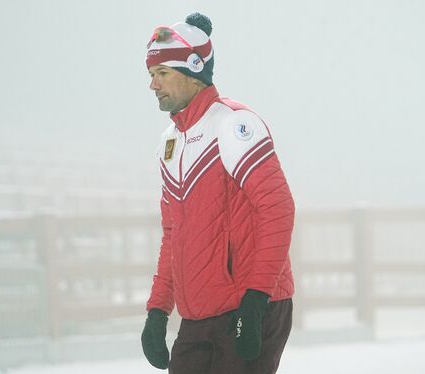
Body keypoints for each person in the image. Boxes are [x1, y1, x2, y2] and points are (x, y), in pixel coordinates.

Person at [141, 12, 295, 374]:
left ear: (194, 70)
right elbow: (173, 234)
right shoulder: (170, 142)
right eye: (151, 75)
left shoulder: (234, 124)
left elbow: (279, 209)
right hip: (199, 315)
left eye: (162, 74)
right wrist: (158, 310)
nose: (153, 85)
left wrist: (256, 299)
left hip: (248, 306)